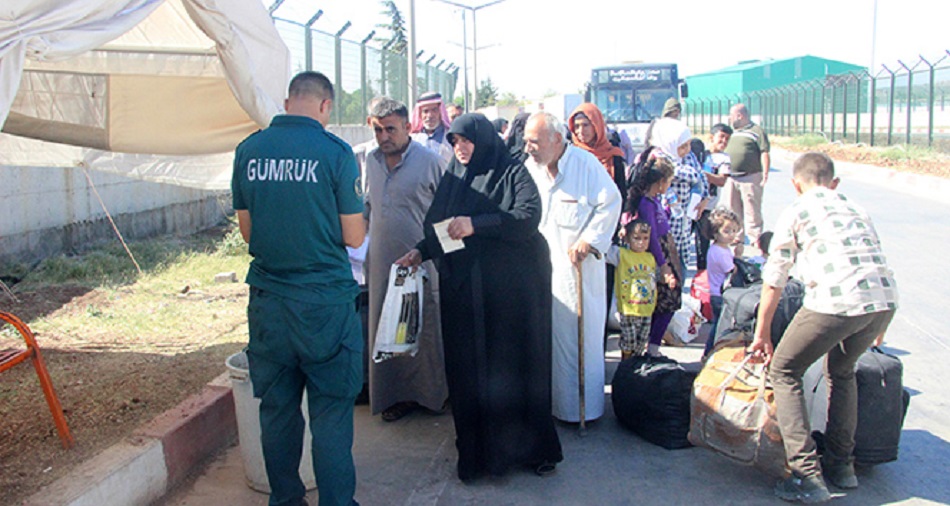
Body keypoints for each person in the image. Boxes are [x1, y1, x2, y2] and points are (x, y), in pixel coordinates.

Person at [394, 113, 562, 481]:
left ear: (483, 140)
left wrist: (477, 224)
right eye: (454, 142)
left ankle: (532, 450)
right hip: (467, 295)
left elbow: (527, 217)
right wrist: (421, 252)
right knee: (471, 374)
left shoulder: (511, 172)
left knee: (514, 370)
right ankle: (478, 456)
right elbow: (443, 229)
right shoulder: (454, 176)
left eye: (466, 140)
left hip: (512, 298)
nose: (460, 148)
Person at [231, 71, 365, 506]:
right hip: (324, 306)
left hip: (270, 305)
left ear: (289, 101)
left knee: (277, 413)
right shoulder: (336, 153)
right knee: (330, 416)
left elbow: (248, 232)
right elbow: (354, 236)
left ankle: (286, 501)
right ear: (325, 105)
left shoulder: (249, 150)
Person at [748, 152, 898, 503]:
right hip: (882, 301)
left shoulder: (797, 210)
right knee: (842, 370)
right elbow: (877, 262)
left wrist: (762, 333)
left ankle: (806, 475)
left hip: (836, 300)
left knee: (784, 370)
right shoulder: (857, 208)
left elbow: (775, 278)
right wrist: (881, 324)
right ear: (834, 183)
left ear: (795, 183)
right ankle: (842, 466)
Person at [523, 111, 622, 423]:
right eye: (526, 141)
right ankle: (550, 409)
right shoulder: (530, 169)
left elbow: (611, 201)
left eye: (534, 141)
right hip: (540, 273)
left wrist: (590, 240)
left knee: (580, 345)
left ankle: (583, 411)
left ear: (556, 139)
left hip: (577, 273)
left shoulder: (585, 165)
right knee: (546, 344)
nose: (528, 148)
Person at [363, 97, 449, 422]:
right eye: (378, 130)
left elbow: (448, 215)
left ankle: (431, 396)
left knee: (423, 329)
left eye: (390, 129)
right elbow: (367, 209)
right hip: (383, 264)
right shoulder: (369, 161)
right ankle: (393, 396)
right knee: (387, 330)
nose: (384, 136)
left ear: (407, 127)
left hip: (422, 265)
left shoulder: (431, 162)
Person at [622, 149, 677, 357]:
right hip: (657, 256)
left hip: (665, 251)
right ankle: (651, 348)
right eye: (669, 181)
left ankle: (652, 347)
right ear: (661, 181)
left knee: (668, 300)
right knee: (666, 301)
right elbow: (652, 236)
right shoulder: (646, 204)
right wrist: (662, 265)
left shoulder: (655, 201)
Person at [649, 117, 708, 274]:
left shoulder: (688, 157)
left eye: (688, 145)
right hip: (665, 222)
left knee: (681, 266)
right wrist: (692, 174)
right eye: (683, 146)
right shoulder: (658, 156)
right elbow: (684, 173)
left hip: (685, 224)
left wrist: (704, 198)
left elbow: (701, 178)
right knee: (664, 264)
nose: (687, 150)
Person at [723, 103, 770, 253]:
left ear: (740, 116)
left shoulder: (756, 131)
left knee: (752, 210)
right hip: (732, 177)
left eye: (731, 115)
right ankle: (737, 235)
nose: (729, 118)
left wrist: (765, 173)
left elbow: (764, 152)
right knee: (733, 209)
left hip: (750, 177)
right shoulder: (732, 132)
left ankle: (756, 238)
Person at [610, 219, 657, 359]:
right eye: (636, 238)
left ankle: (635, 368)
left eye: (645, 238)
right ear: (628, 238)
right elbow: (605, 248)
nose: (641, 242)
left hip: (646, 308)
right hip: (628, 307)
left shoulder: (650, 257)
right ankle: (625, 366)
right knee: (628, 341)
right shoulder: (621, 254)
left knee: (641, 342)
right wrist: (619, 233)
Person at [701, 208, 741, 357]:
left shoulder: (722, 249)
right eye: (727, 231)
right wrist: (739, 255)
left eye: (734, 231)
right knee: (719, 327)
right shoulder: (719, 252)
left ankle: (710, 353)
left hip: (718, 292)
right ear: (715, 232)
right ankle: (710, 353)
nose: (732, 235)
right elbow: (732, 270)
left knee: (718, 325)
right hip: (719, 294)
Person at [695, 123, 733, 270]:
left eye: (727, 139)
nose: (723, 141)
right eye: (721, 137)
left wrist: (701, 174)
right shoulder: (700, 154)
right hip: (692, 204)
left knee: (703, 242)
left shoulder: (724, 159)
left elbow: (721, 180)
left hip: (708, 206)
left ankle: (703, 273)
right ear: (711, 137)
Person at [410, 91, 454, 164]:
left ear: (441, 112)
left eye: (434, 110)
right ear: (420, 114)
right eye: (425, 111)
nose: (430, 115)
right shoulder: (412, 139)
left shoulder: (451, 137)